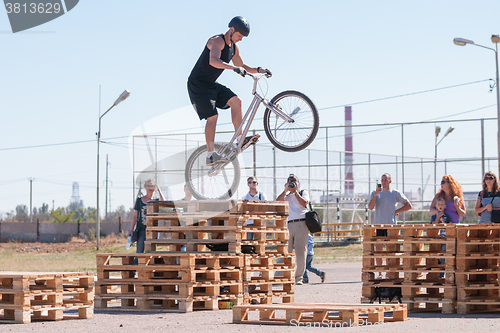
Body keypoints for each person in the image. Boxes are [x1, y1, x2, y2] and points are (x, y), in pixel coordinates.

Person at [187, 16, 271, 165]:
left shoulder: (234, 47)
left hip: (211, 84)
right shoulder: (216, 40)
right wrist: (233, 68)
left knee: (236, 101)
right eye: (239, 35)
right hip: (198, 85)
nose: (241, 39)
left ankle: (239, 140)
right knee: (212, 117)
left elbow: (243, 65)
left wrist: (259, 69)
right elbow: (213, 60)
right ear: (232, 30)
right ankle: (210, 155)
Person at [368, 173, 412, 277]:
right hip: (378, 225)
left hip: (391, 225)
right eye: (382, 180)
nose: (383, 182)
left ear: (390, 181)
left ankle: (388, 272)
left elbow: (408, 205)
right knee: (378, 250)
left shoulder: (395, 193)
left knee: (389, 250)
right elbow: (370, 207)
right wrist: (375, 195)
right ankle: (380, 273)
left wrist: (397, 211)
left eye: (385, 180)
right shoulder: (375, 193)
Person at [430, 175, 466, 278]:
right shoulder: (439, 196)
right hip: (443, 228)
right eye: (441, 182)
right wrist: (438, 212)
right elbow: (431, 208)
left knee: (454, 252)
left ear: (450, 184)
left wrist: (457, 206)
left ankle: (454, 274)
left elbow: (463, 213)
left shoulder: (457, 196)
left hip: (455, 228)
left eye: (443, 182)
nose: (441, 184)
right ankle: (441, 275)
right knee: (443, 250)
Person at [276, 174, 309, 285]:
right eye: (290, 182)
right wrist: (285, 191)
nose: (292, 184)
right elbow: (277, 202)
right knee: (285, 252)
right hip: (288, 224)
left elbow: (304, 203)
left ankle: (298, 278)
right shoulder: (287, 196)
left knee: (301, 253)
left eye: (294, 182)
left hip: (301, 223)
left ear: (298, 183)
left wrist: (295, 192)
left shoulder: (303, 193)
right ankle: (281, 277)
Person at [129, 179, 165, 262]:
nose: (150, 188)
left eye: (152, 186)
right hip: (142, 230)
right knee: (139, 252)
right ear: (145, 187)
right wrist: (131, 229)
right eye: (148, 186)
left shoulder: (155, 201)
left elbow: (163, 201)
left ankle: (149, 271)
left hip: (153, 231)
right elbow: (135, 216)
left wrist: (158, 189)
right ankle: (136, 270)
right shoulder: (139, 200)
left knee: (151, 252)